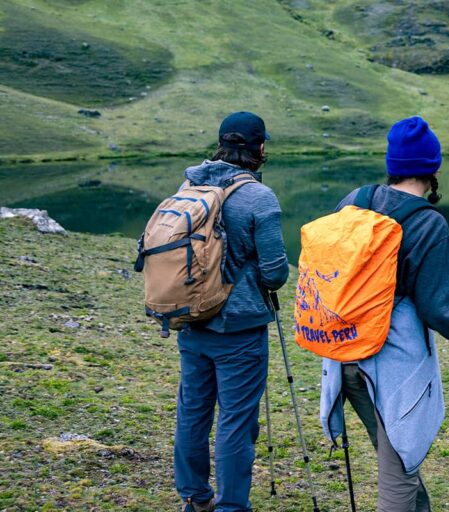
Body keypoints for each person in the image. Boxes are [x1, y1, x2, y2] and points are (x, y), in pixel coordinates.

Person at [320, 116, 449, 512]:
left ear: (393, 164)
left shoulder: (353, 201)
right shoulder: (427, 223)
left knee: (396, 454)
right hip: (391, 366)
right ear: (433, 169)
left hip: (342, 354)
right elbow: (444, 312)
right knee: (399, 468)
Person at [174, 112, 289, 512]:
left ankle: (195, 498)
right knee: (236, 421)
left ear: (221, 143)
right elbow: (275, 274)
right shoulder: (260, 197)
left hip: (190, 319)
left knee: (193, 411)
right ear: (259, 148)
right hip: (239, 328)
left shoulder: (189, 185)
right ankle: (231, 507)